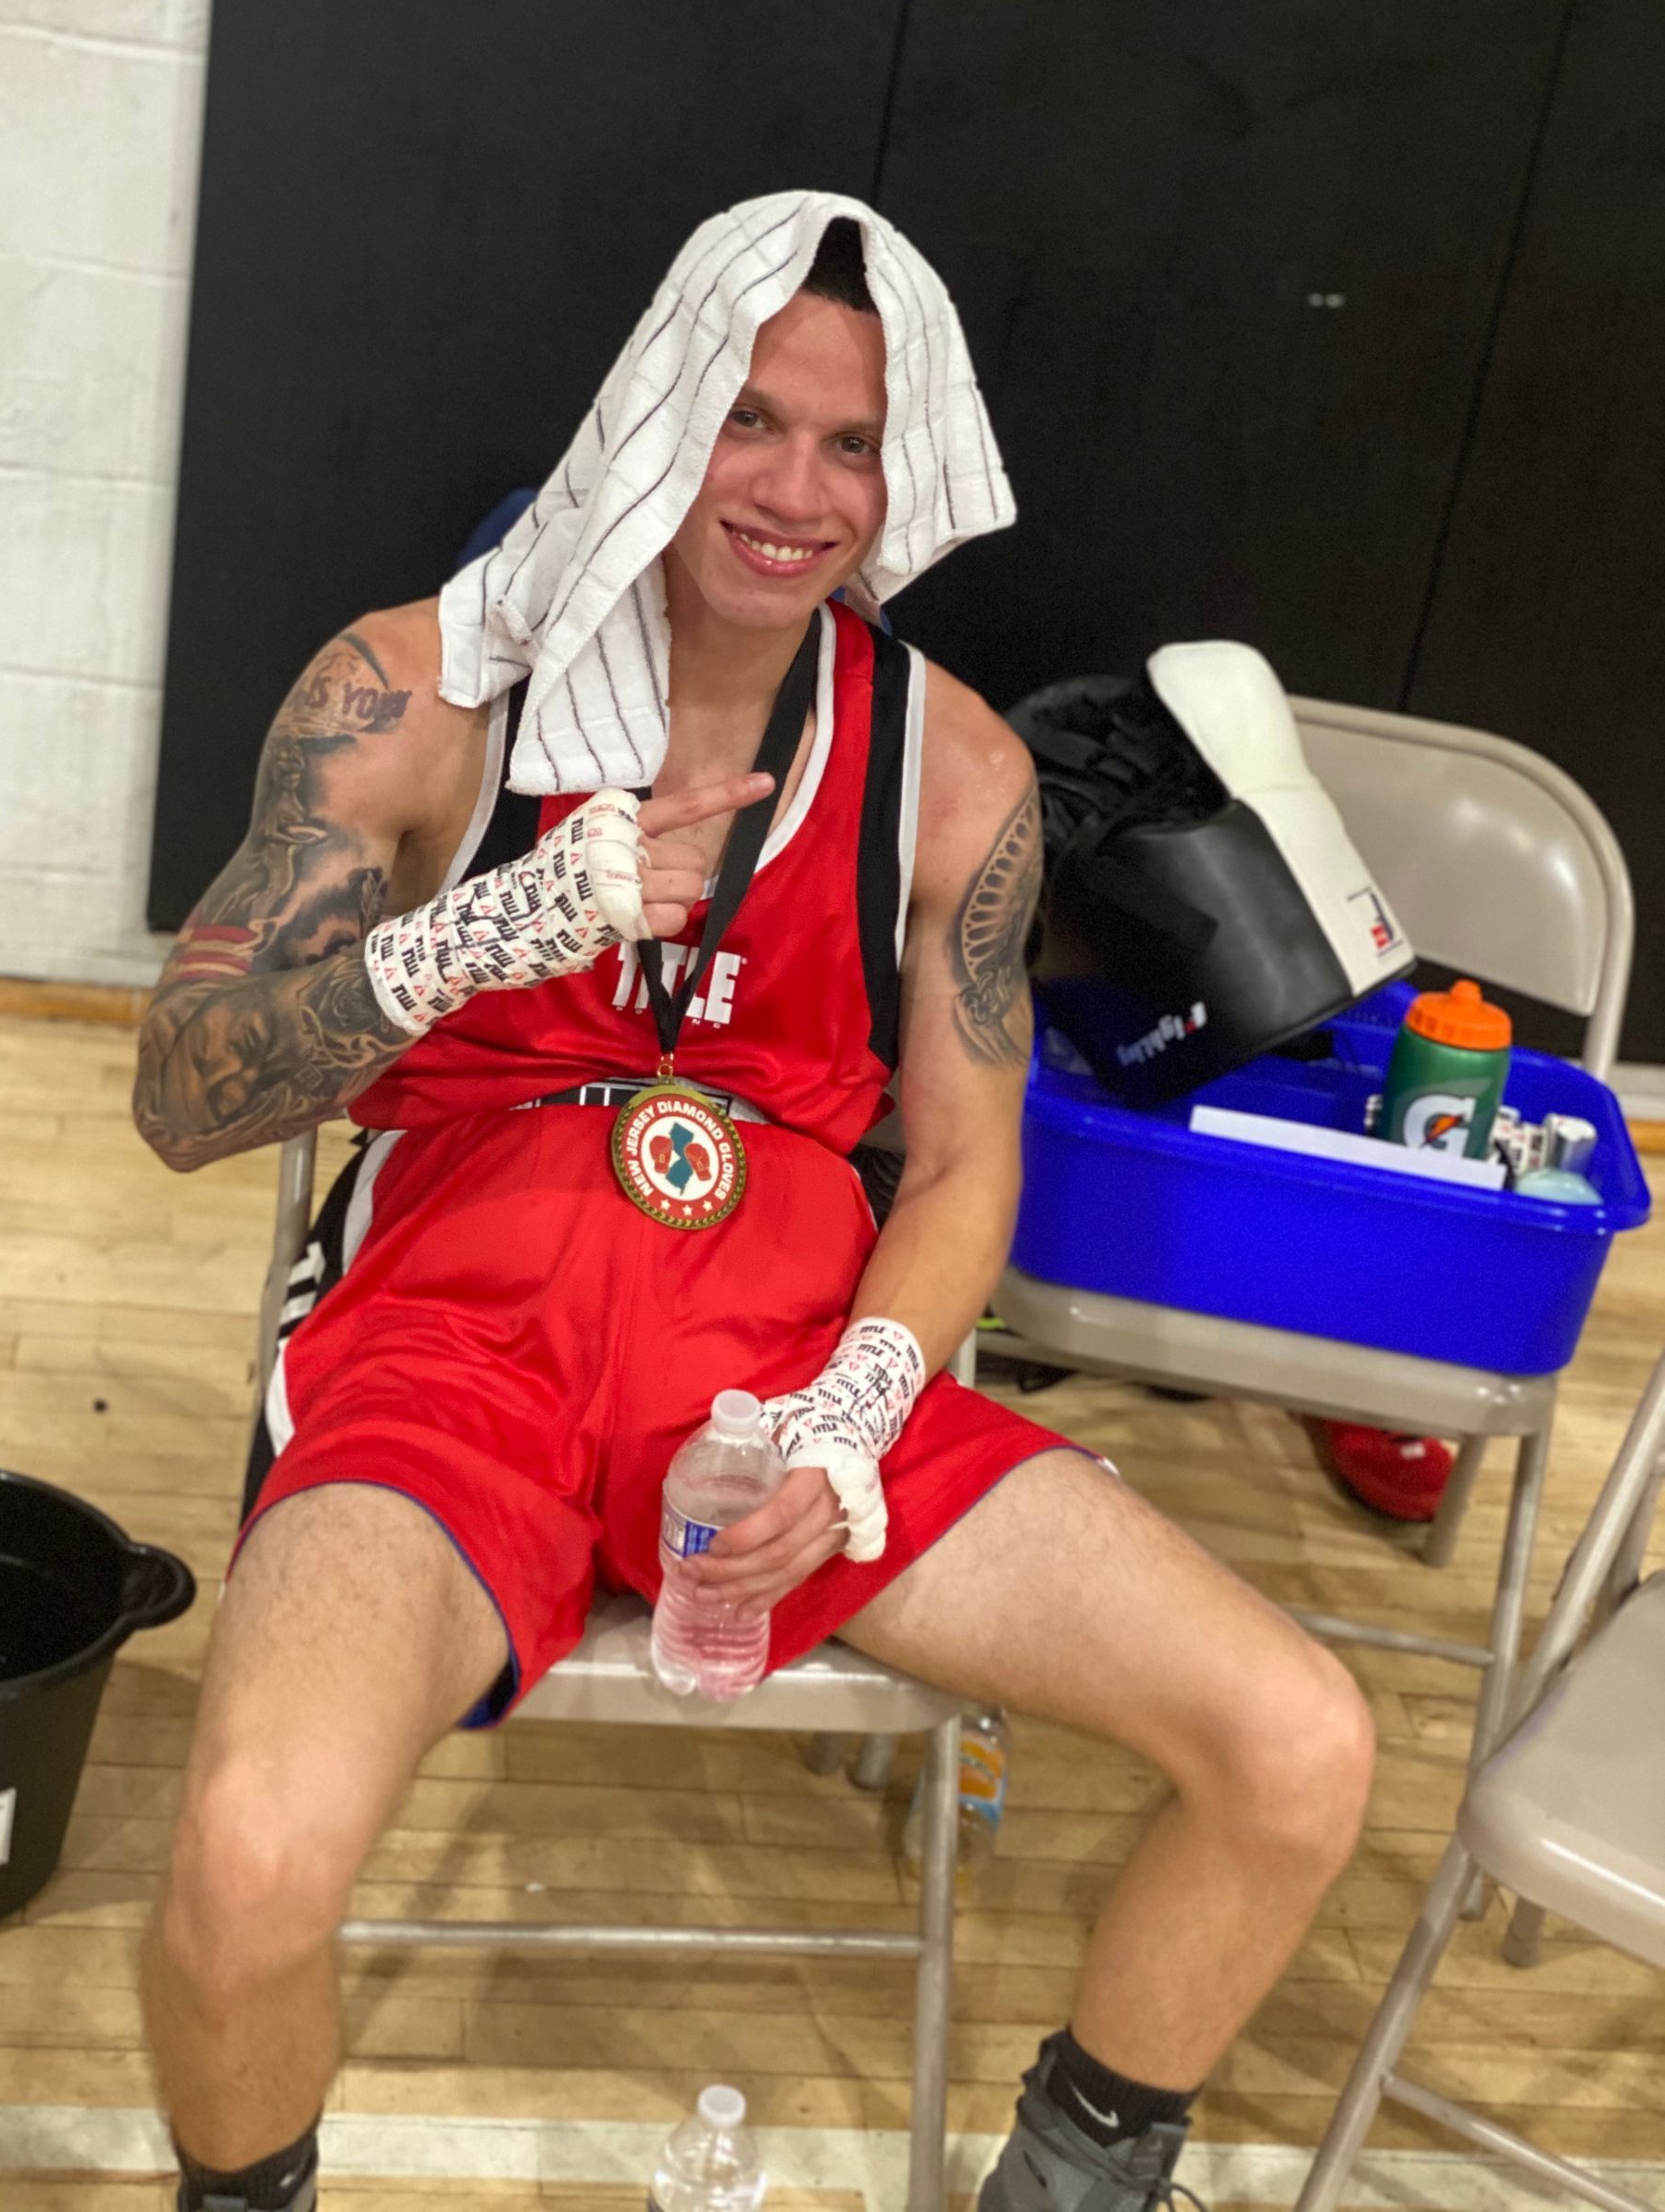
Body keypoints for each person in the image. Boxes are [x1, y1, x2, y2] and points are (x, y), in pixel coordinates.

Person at [132, 194, 1375, 2212]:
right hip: (455, 1349)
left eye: (852, 441)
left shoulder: (955, 765)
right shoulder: (423, 689)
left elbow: (972, 1163)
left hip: (788, 1375)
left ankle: (1071, 2180)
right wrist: (503, 923)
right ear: (655, 412)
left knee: (1303, 1744)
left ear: (907, 471)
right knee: (248, 1858)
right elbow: (179, 1096)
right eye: (750, 419)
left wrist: (859, 1406)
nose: (796, 489)